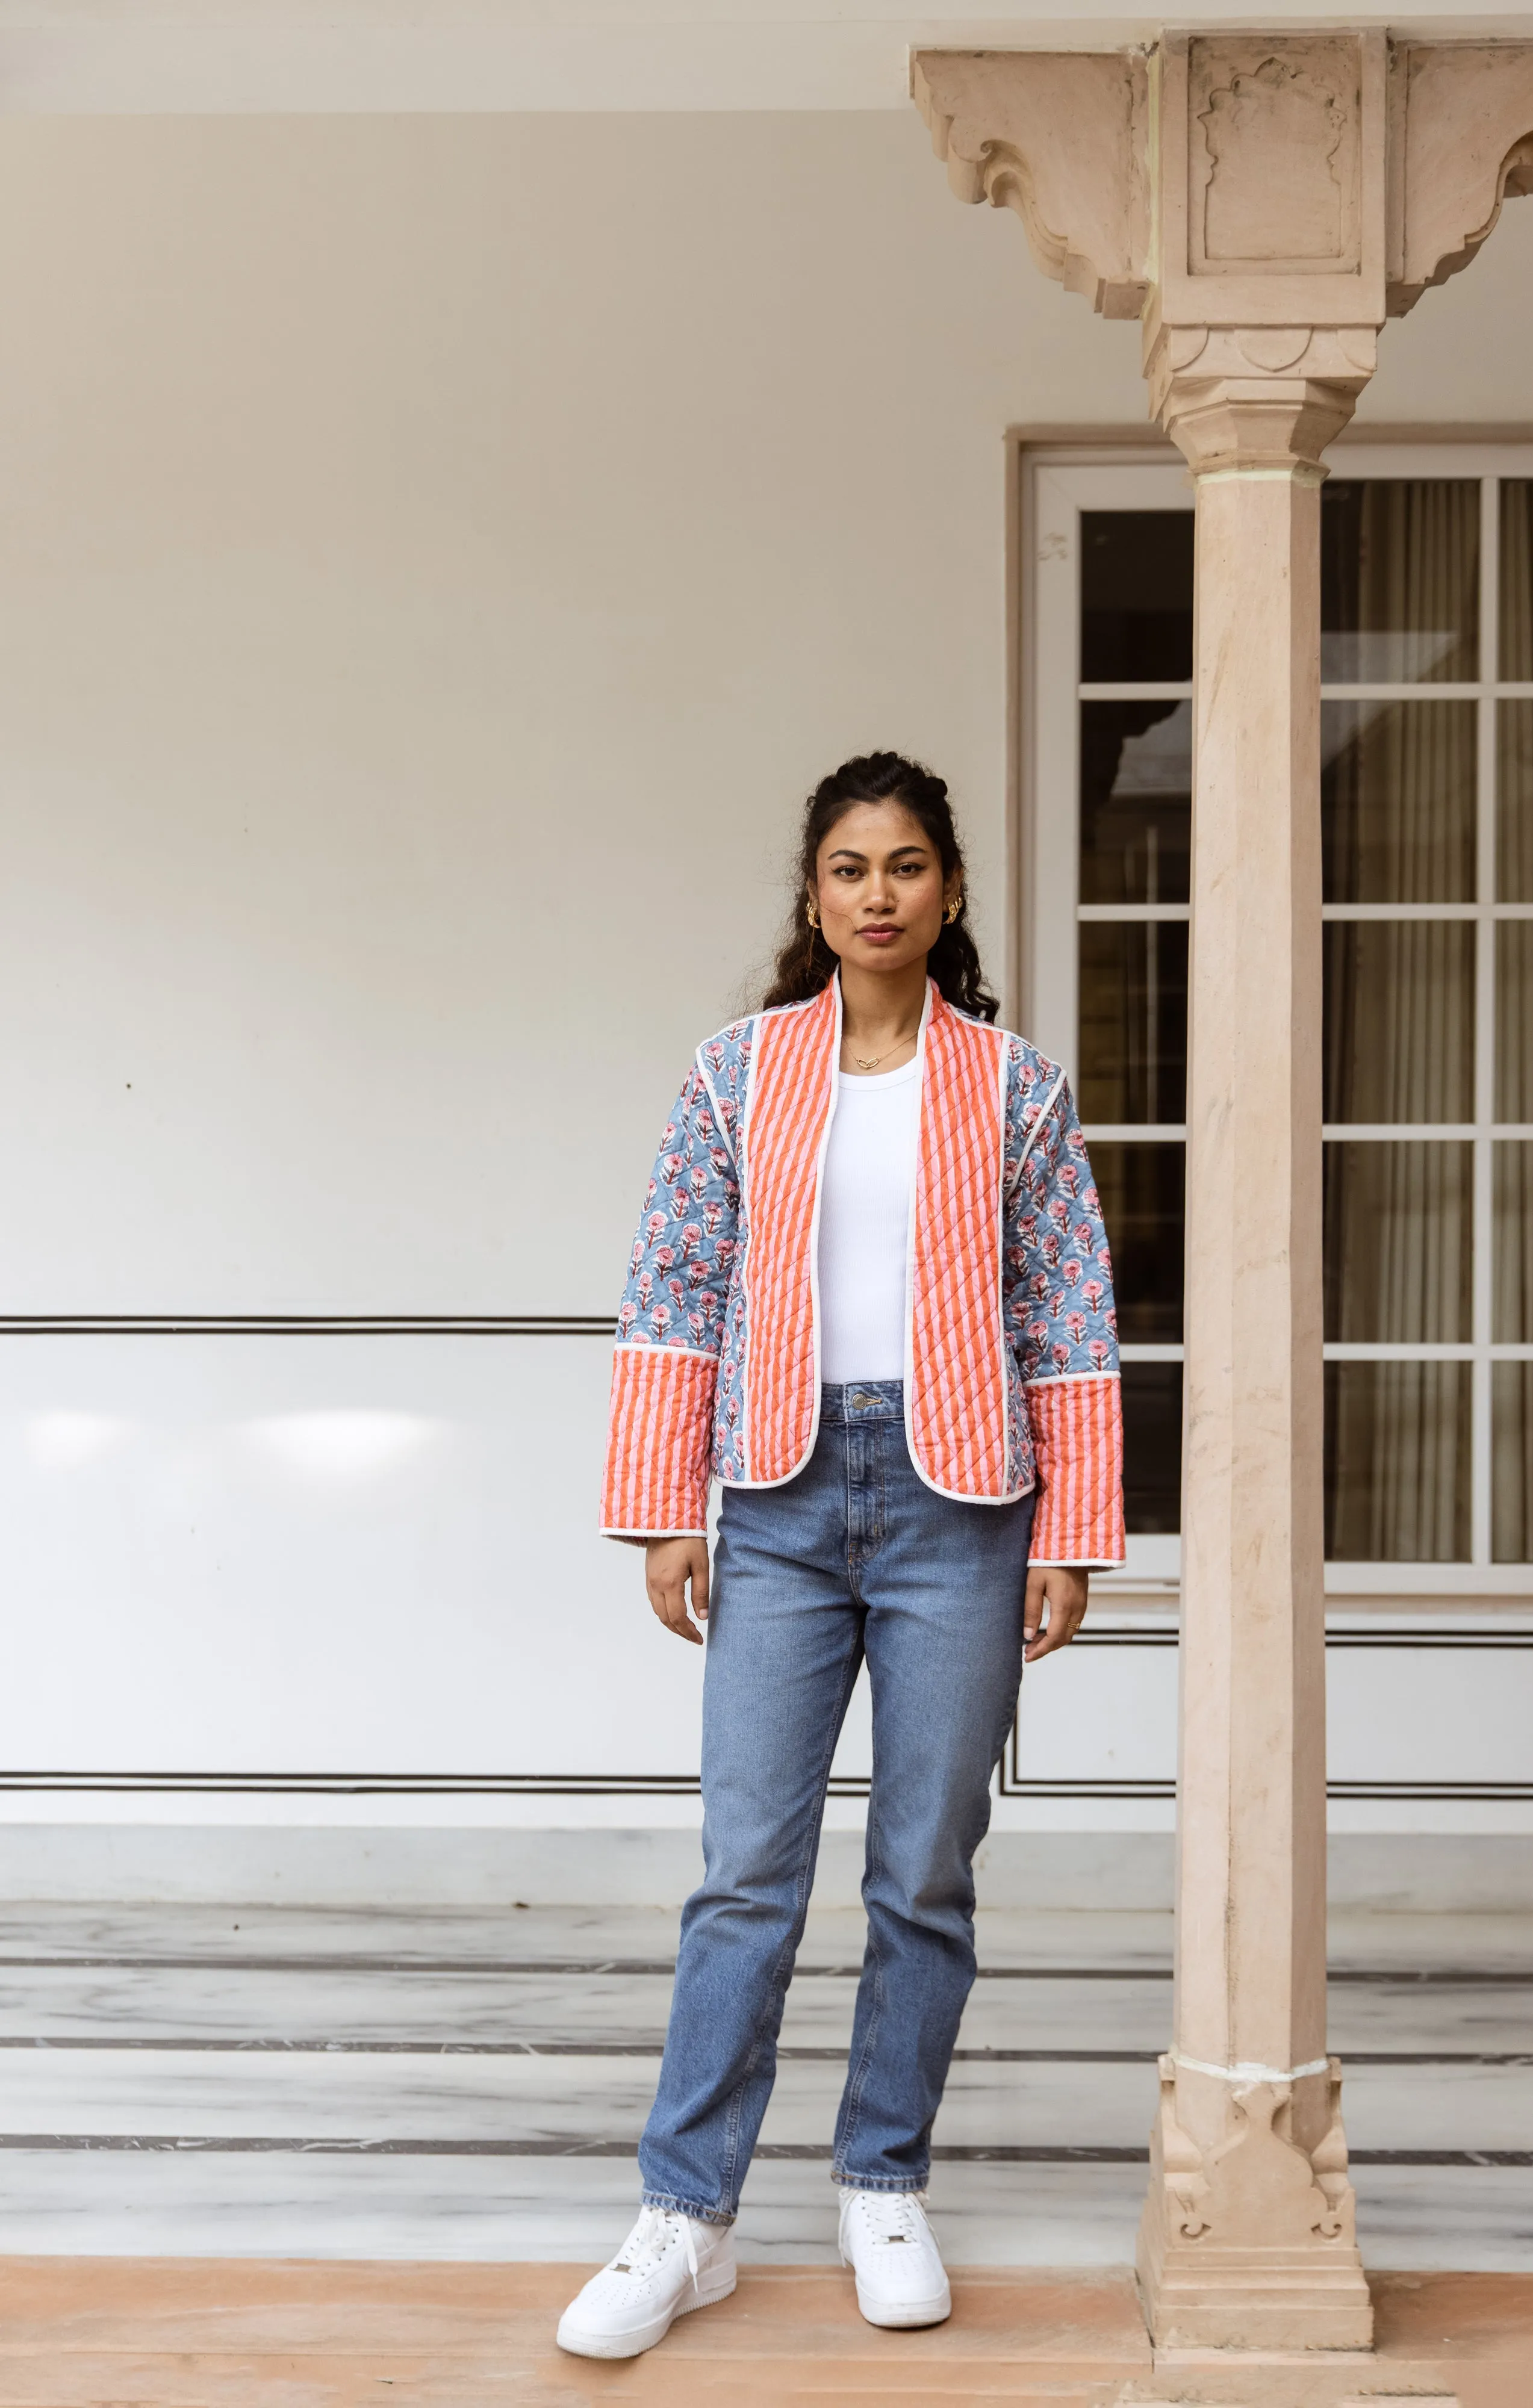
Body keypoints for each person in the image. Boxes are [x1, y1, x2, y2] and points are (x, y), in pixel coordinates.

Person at [556, 751, 1124, 2362]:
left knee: (922, 1877)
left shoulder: (1013, 1086)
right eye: (847, 869)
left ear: (946, 890)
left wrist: (1070, 1528)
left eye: (906, 865)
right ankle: (685, 2218)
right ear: (812, 899)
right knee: (746, 1873)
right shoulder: (734, 1073)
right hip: (780, 1502)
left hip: (961, 1508)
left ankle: (884, 2179)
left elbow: (1063, 1305)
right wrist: (667, 1503)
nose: (877, 894)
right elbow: (673, 1280)